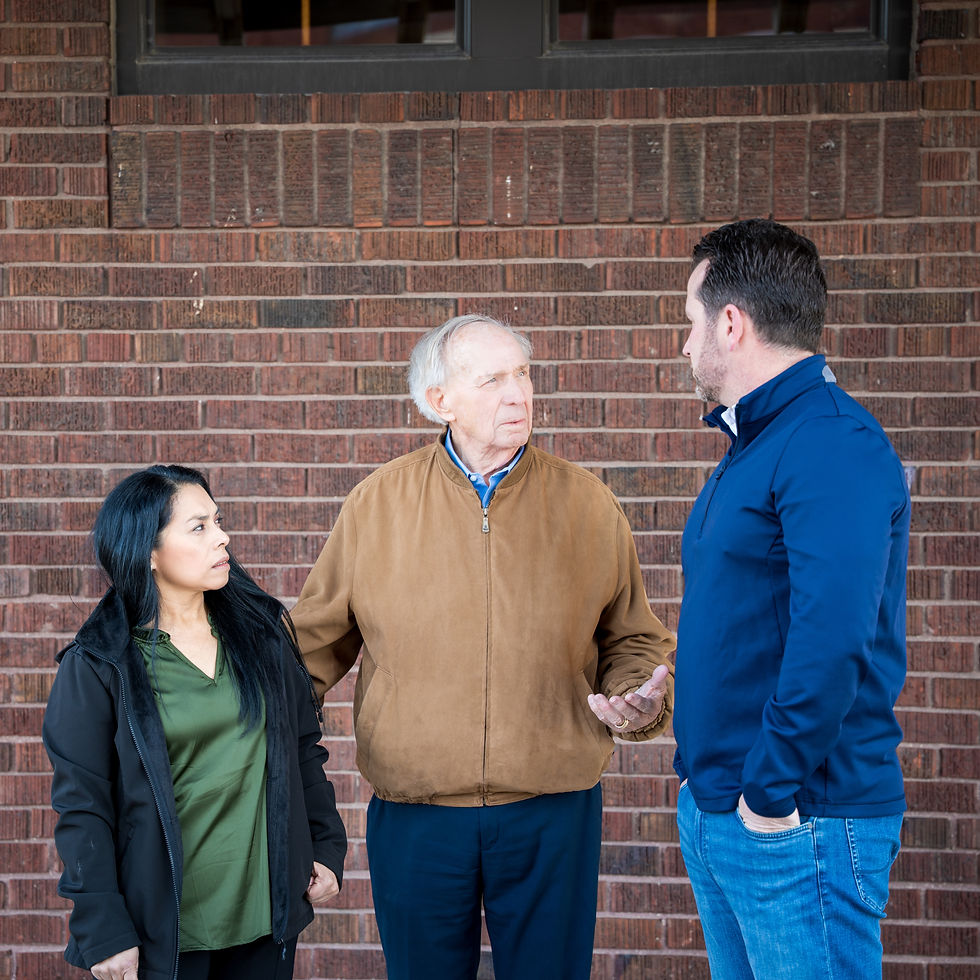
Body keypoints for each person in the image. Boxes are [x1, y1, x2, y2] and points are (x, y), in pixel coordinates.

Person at [290, 313, 675, 980]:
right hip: (417, 820)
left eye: (522, 374)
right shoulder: (376, 504)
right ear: (438, 400)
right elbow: (310, 649)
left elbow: (632, 637)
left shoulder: (588, 504)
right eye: (492, 379)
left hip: (553, 811)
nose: (518, 394)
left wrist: (636, 697)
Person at [673, 219, 910, 979]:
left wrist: (768, 794)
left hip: (796, 823)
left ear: (731, 324)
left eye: (690, 321)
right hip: (731, 812)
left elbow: (833, 639)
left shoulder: (829, 443)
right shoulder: (756, 445)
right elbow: (753, 619)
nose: (685, 345)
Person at [43, 465, 348, 980]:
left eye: (218, 520)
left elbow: (301, 750)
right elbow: (82, 804)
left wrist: (325, 845)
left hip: (265, 916)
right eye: (199, 526)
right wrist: (102, 927)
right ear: (148, 551)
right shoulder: (99, 664)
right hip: (164, 932)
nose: (223, 537)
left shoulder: (262, 637)